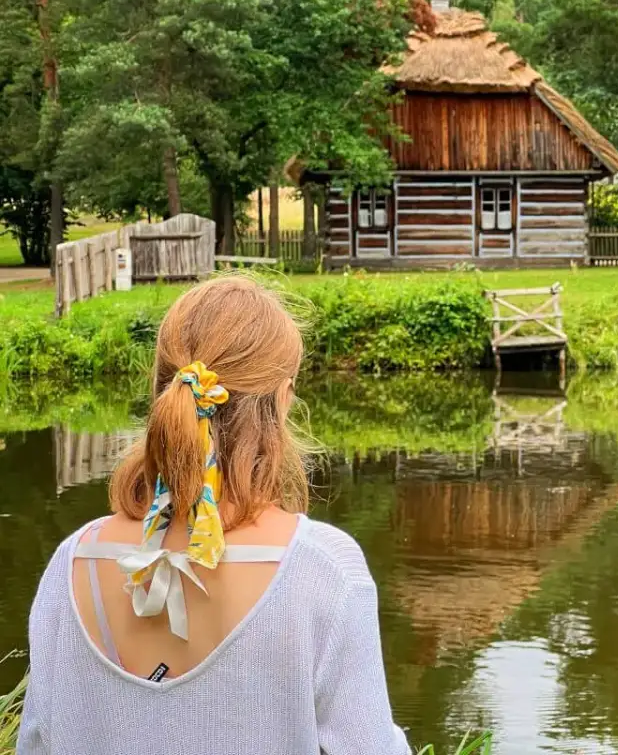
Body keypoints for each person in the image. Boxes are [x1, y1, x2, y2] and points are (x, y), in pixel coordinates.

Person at [17, 276, 411, 755]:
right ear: (283, 398)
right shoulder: (322, 570)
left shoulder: (73, 562)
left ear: (162, 389)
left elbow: (35, 743)